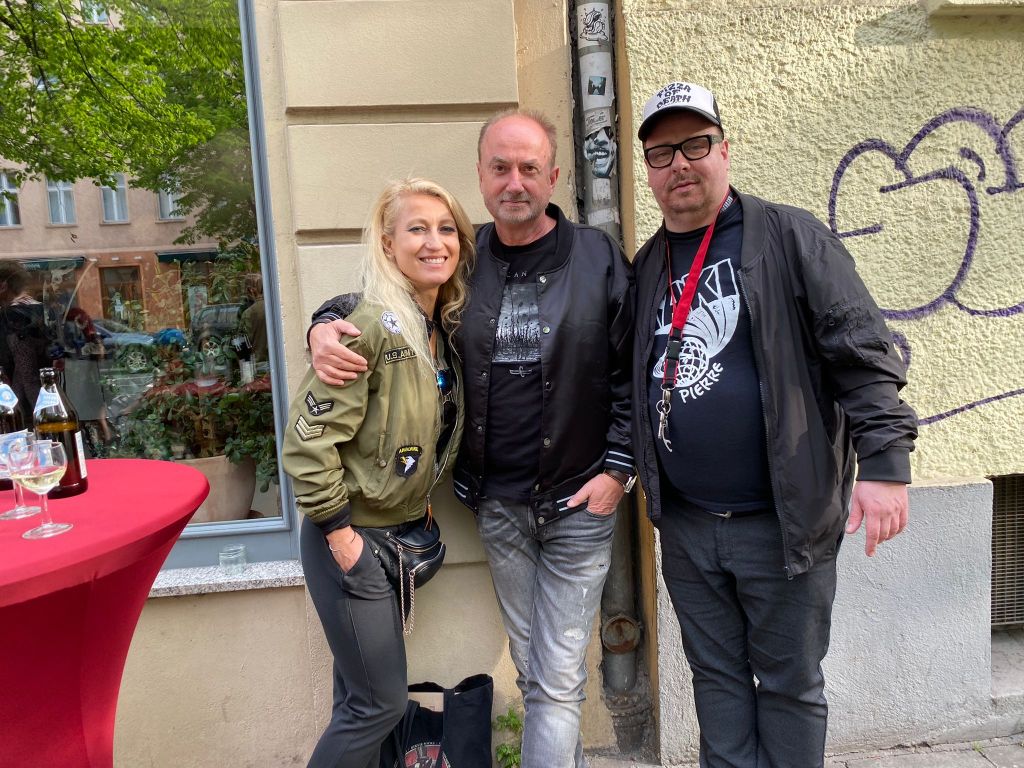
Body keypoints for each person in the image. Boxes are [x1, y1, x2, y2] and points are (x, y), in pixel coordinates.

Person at [307, 109, 635, 768]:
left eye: (529, 168)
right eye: (500, 167)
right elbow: (385, 302)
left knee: (557, 680)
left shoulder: (597, 256)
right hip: (498, 506)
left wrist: (619, 470)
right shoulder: (463, 254)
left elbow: (632, 369)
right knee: (537, 669)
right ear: (481, 176)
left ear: (553, 176)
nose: (515, 182)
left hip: (579, 501)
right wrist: (323, 320)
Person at [632, 82, 919, 767]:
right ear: (648, 169)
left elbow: (860, 349)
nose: (679, 164)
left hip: (781, 525)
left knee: (790, 685)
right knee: (716, 679)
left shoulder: (790, 237)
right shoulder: (647, 265)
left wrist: (885, 465)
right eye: (662, 152)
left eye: (695, 145)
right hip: (688, 526)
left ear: (724, 151)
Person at [281, 178, 472, 768]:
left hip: (395, 535)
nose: (434, 242)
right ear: (388, 244)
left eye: (446, 229)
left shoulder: (440, 327)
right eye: (417, 228)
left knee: (356, 700)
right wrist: (343, 539)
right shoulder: (365, 327)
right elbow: (307, 443)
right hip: (350, 538)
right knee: (378, 706)